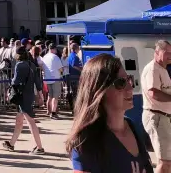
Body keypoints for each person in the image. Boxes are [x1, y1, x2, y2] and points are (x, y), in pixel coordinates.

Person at [66, 53, 152, 173]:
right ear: (99, 90)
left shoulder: (131, 126)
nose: (130, 88)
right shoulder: (86, 141)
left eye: (129, 80)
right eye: (121, 83)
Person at [2, 46, 44, 154]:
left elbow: (15, 81)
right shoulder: (32, 65)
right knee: (19, 120)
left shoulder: (19, 65)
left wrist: (9, 89)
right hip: (29, 95)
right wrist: (41, 95)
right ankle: (11, 143)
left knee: (30, 121)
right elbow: (37, 82)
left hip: (21, 96)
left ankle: (39, 147)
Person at [141, 39, 171, 173]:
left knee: (165, 161)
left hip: (162, 117)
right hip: (156, 117)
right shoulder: (153, 68)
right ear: (157, 52)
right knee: (165, 162)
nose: (170, 56)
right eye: (167, 53)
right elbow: (153, 92)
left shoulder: (162, 69)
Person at [42, 43, 64, 119]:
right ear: (53, 49)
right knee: (55, 97)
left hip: (47, 79)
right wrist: (61, 72)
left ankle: (49, 111)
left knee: (50, 96)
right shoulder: (55, 57)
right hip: (55, 78)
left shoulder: (44, 57)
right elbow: (60, 69)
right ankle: (53, 113)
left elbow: (42, 67)